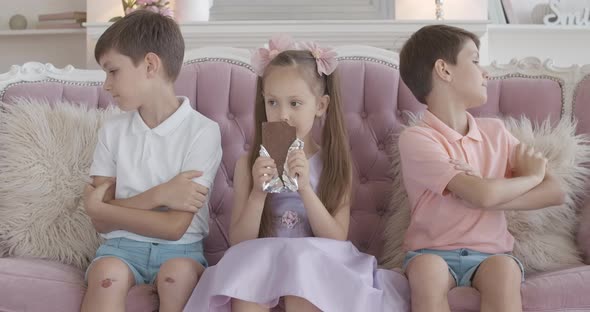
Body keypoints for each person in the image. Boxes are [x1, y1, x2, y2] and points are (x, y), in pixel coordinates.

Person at [183, 35, 407, 312]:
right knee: (246, 276)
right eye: (273, 103)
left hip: (318, 258)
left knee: (304, 273)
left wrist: (305, 190)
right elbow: (240, 242)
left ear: (321, 106)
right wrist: (257, 192)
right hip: (263, 256)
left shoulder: (336, 163)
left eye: (295, 103)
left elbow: (336, 237)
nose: (282, 115)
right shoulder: (248, 164)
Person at [397, 24, 566, 312]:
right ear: (444, 70)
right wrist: (530, 176)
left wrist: (491, 192)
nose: (485, 71)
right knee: (427, 272)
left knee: (505, 272)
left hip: (491, 254)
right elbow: (485, 196)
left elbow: (556, 191)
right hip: (431, 252)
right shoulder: (416, 138)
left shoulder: (496, 132)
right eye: (475, 61)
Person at [81, 10, 222, 312]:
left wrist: (104, 207)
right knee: (107, 275)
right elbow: (98, 219)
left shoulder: (203, 132)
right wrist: (160, 195)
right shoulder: (113, 129)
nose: (106, 84)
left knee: (177, 276)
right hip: (119, 249)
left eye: (112, 71)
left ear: (149, 65)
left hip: (181, 251)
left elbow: (173, 228)